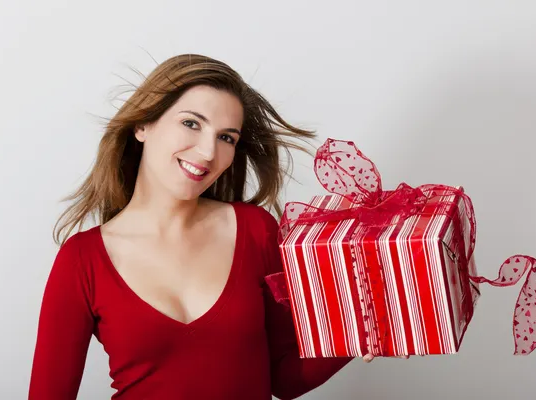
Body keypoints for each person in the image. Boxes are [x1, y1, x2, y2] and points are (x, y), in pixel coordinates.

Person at [28, 54, 373, 400]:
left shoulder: (255, 230)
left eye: (226, 138)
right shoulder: (82, 260)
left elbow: (284, 378)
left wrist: (358, 334)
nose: (208, 151)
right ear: (143, 125)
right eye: (191, 123)